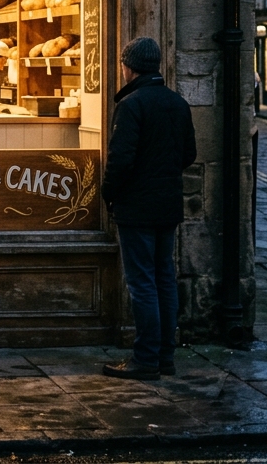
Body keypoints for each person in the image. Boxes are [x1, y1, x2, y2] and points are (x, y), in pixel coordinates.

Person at [102, 37, 197, 381]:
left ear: (128, 67)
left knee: (142, 283)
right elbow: (189, 155)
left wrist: (108, 194)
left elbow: (120, 161)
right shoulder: (178, 103)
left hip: (137, 207)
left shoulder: (132, 104)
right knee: (164, 280)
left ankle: (145, 359)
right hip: (167, 205)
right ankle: (165, 357)